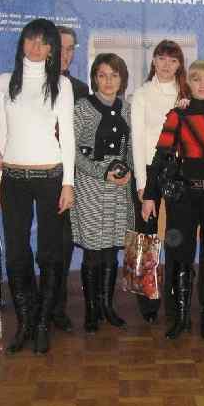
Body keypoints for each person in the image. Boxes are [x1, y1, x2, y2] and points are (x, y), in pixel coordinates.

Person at [142, 60, 204, 340]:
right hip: (183, 197)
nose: (202, 85)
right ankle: (183, 316)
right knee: (180, 254)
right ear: (190, 82)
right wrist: (150, 195)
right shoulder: (178, 115)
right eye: (197, 79)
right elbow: (160, 158)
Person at [0, 18, 75, 355]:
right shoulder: (3, 81)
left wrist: (68, 183)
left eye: (44, 42)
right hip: (13, 178)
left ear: (52, 49)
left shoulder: (61, 84)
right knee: (16, 253)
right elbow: (2, 133)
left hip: (50, 178)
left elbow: (67, 135)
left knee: (50, 253)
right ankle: (25, 322)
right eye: (31, 40)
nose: (36, 47)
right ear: (22, 42)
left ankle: (42, 323)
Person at [71, 53, 134, 332]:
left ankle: (107, 306)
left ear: (122, 79)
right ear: (94, 78)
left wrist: (129, 170)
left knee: (110, 249)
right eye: (102, 75)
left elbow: (131, 147)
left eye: (114, 75)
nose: (108, 81)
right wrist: (100, 171)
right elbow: (71, 150)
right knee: (93, 250)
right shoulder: (82, 107)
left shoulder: (127, 108)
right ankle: (91, 310)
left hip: (119, 186)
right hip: (90, 184)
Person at [131, 40, 186, 323]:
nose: (166, 65)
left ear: (179, 65)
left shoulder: (186, 94)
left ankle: (176, 300)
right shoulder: (141, 94)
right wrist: (142, 185)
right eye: (161, 59)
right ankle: (147, 302)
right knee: (146, 239)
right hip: (148, 172)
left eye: (172, 60)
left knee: (176, 237)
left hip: (178, 174)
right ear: (153, 61)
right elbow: (137, 141)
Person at [50, 25, 90, 333]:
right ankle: (39, 303)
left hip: (69, 177)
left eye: (70, 49)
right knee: (41, 246)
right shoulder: (28, 85)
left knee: (63, 244)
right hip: (35, 174)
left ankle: (57, 306)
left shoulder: (79, 88)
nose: (65, 54)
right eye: (60, 47)